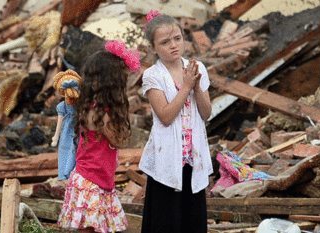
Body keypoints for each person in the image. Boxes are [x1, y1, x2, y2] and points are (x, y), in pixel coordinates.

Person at [139, 10, 213, 233]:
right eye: (165, 42)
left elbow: (206, 112)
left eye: (177, 38)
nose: (173, 45)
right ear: (153, 48)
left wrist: (197, 85)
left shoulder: (197, 68)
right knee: (166, 221)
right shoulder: (153, 75)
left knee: (193, 219)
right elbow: (165, 115)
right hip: (167, 157)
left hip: (193, 155)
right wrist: (187, 86)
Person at [58, 40, 140, 233]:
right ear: (112, 82)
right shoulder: (103, 114)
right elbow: (118, 140)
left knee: (93, 227)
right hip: (92, 181)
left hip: (94, 178)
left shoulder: (90, 106)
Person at [51, 70, 82, 180]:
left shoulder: (79, 104)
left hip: (76, 129)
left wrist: (56, 137)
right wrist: (56, 136)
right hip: (74, 129)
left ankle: (71, 173)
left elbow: (60, 122)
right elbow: (59, 123)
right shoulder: (63, 106)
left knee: (72, 150)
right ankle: (68, 173)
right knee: (69, 149)